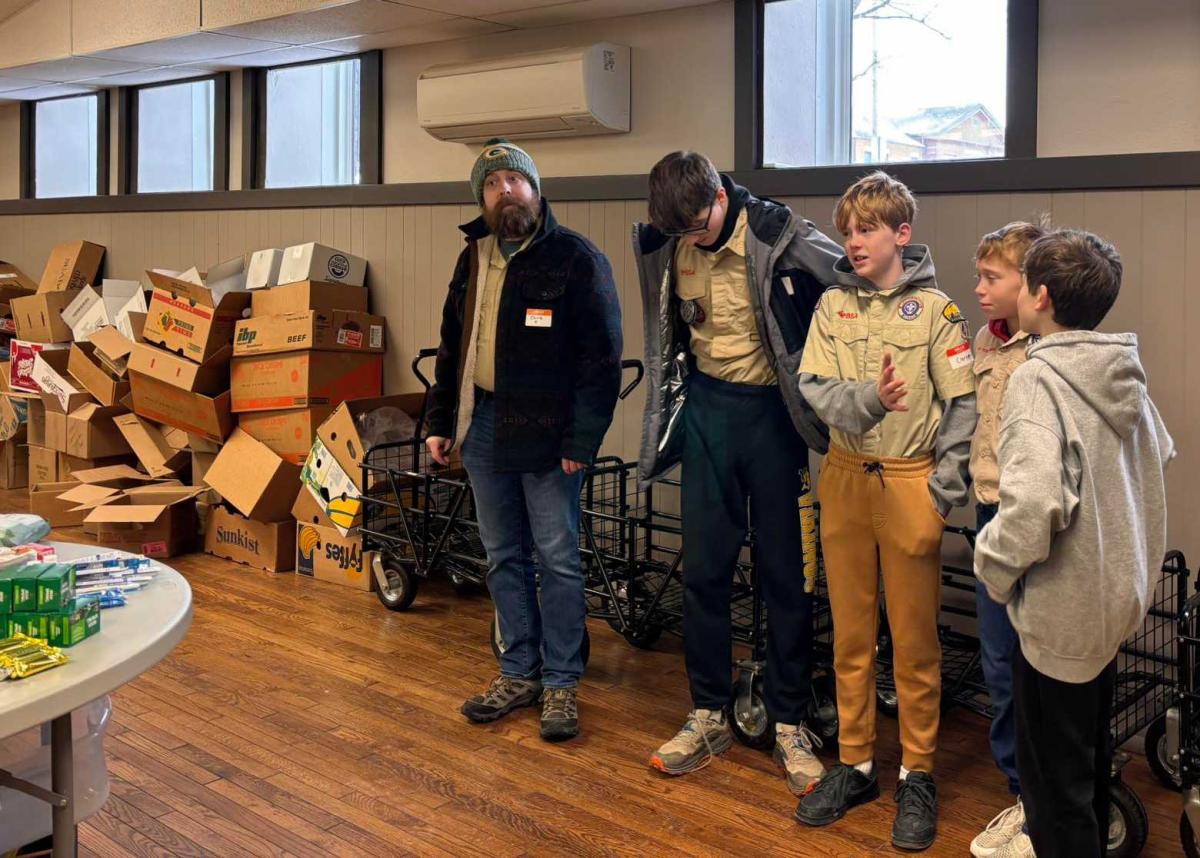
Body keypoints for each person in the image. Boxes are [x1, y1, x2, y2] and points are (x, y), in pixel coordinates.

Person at [634, 150, 841, 796]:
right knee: (703, 571)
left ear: (721, 197)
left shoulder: (780, 233)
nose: (694, 239)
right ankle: (708, 714)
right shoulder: (666, 244)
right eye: (682, 232)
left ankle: (789, 722)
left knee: (787, 577)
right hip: (707, 411)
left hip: (774, 417)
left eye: (700, 225)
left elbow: (851, 278)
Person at [975, 229, 1174, 858]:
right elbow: (1159, 454)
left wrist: (991, 567)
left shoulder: (1038, 380)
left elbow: (1033, 506)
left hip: (1061, 618)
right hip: (1114, 602)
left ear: (1039, 296)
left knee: (1054, 793)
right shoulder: (1121, 369)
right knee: (1085, 765)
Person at [794, 170, 977, 852]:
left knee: (914, 642)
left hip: (909, 483)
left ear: (902, 233)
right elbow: (816, 387)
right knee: (849, 635)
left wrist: (941, 494)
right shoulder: (831, 306)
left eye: (867, 229)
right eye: (847, 230)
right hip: (844, 478)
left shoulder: (936, 312)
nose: (854, 241)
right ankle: (857, 764)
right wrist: (871, 400)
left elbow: (963, 407)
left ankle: (917, 773)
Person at [425, 138, 623, 742]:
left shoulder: (576, 258)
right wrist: (439, 422)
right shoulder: (473, 258)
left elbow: (601, 360)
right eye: (492, 185)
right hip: (483, 424)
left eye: (514, 179)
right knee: (502, 555)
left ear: (536, 190)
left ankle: (561, 681)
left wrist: (581, 440)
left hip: (549, 434)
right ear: (481, 201)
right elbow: (452, 346)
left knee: (557, 559)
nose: (504, 190)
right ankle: (518, 673)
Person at [965, 220, 1046, 858]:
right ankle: (1020, 791)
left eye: (992, 278)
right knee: (998, 661)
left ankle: (1049, 798)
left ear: (1031, 285)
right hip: (988, 513)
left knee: (1041, 663)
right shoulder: (982, 344)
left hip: (1035, 520)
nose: (980, 288)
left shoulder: (1047, 353)